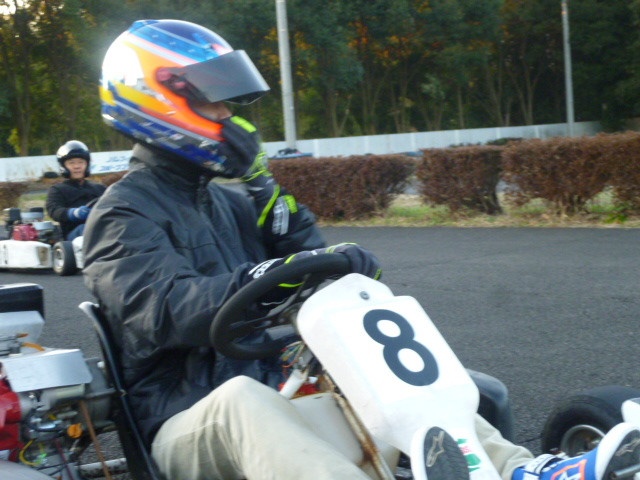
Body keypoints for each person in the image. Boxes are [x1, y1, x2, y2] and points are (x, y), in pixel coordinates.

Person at [83, 19, 640, 480]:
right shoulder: (121, 213)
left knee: (400, 385)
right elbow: (165, 310)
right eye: (217, 105)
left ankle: (520, 470)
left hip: (273, 388)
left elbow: (307, 254)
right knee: (240, 401)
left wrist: (263, 187)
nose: (233, 119)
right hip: (181, 423)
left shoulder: (229, 203)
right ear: (157, 98)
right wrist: (271, 274)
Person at [46, 140, 106, 241]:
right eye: (71, 163)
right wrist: (75, 213)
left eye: (81, 162)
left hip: (102, 227)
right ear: (63, 166)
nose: (77, 166)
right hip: (74, 235)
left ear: (87, 164)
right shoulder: (58, 190)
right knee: (87, 229)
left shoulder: (100, 188)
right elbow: (54, 211)